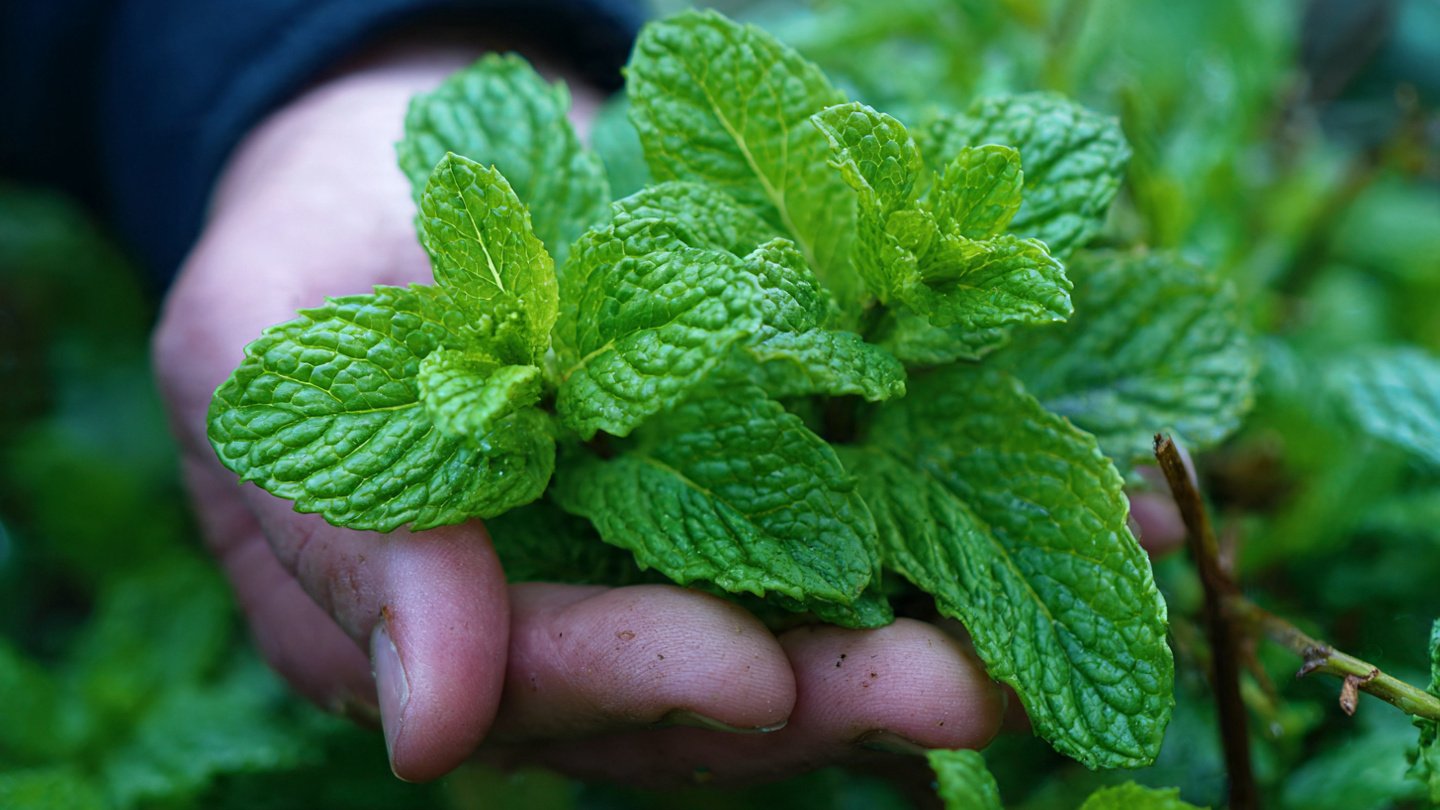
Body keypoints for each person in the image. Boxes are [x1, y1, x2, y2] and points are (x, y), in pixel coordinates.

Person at [3, 0, 1183, 786]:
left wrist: (322, 49)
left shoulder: (824, 289)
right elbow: (285, 413)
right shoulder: (585, 344)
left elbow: (690, 103)